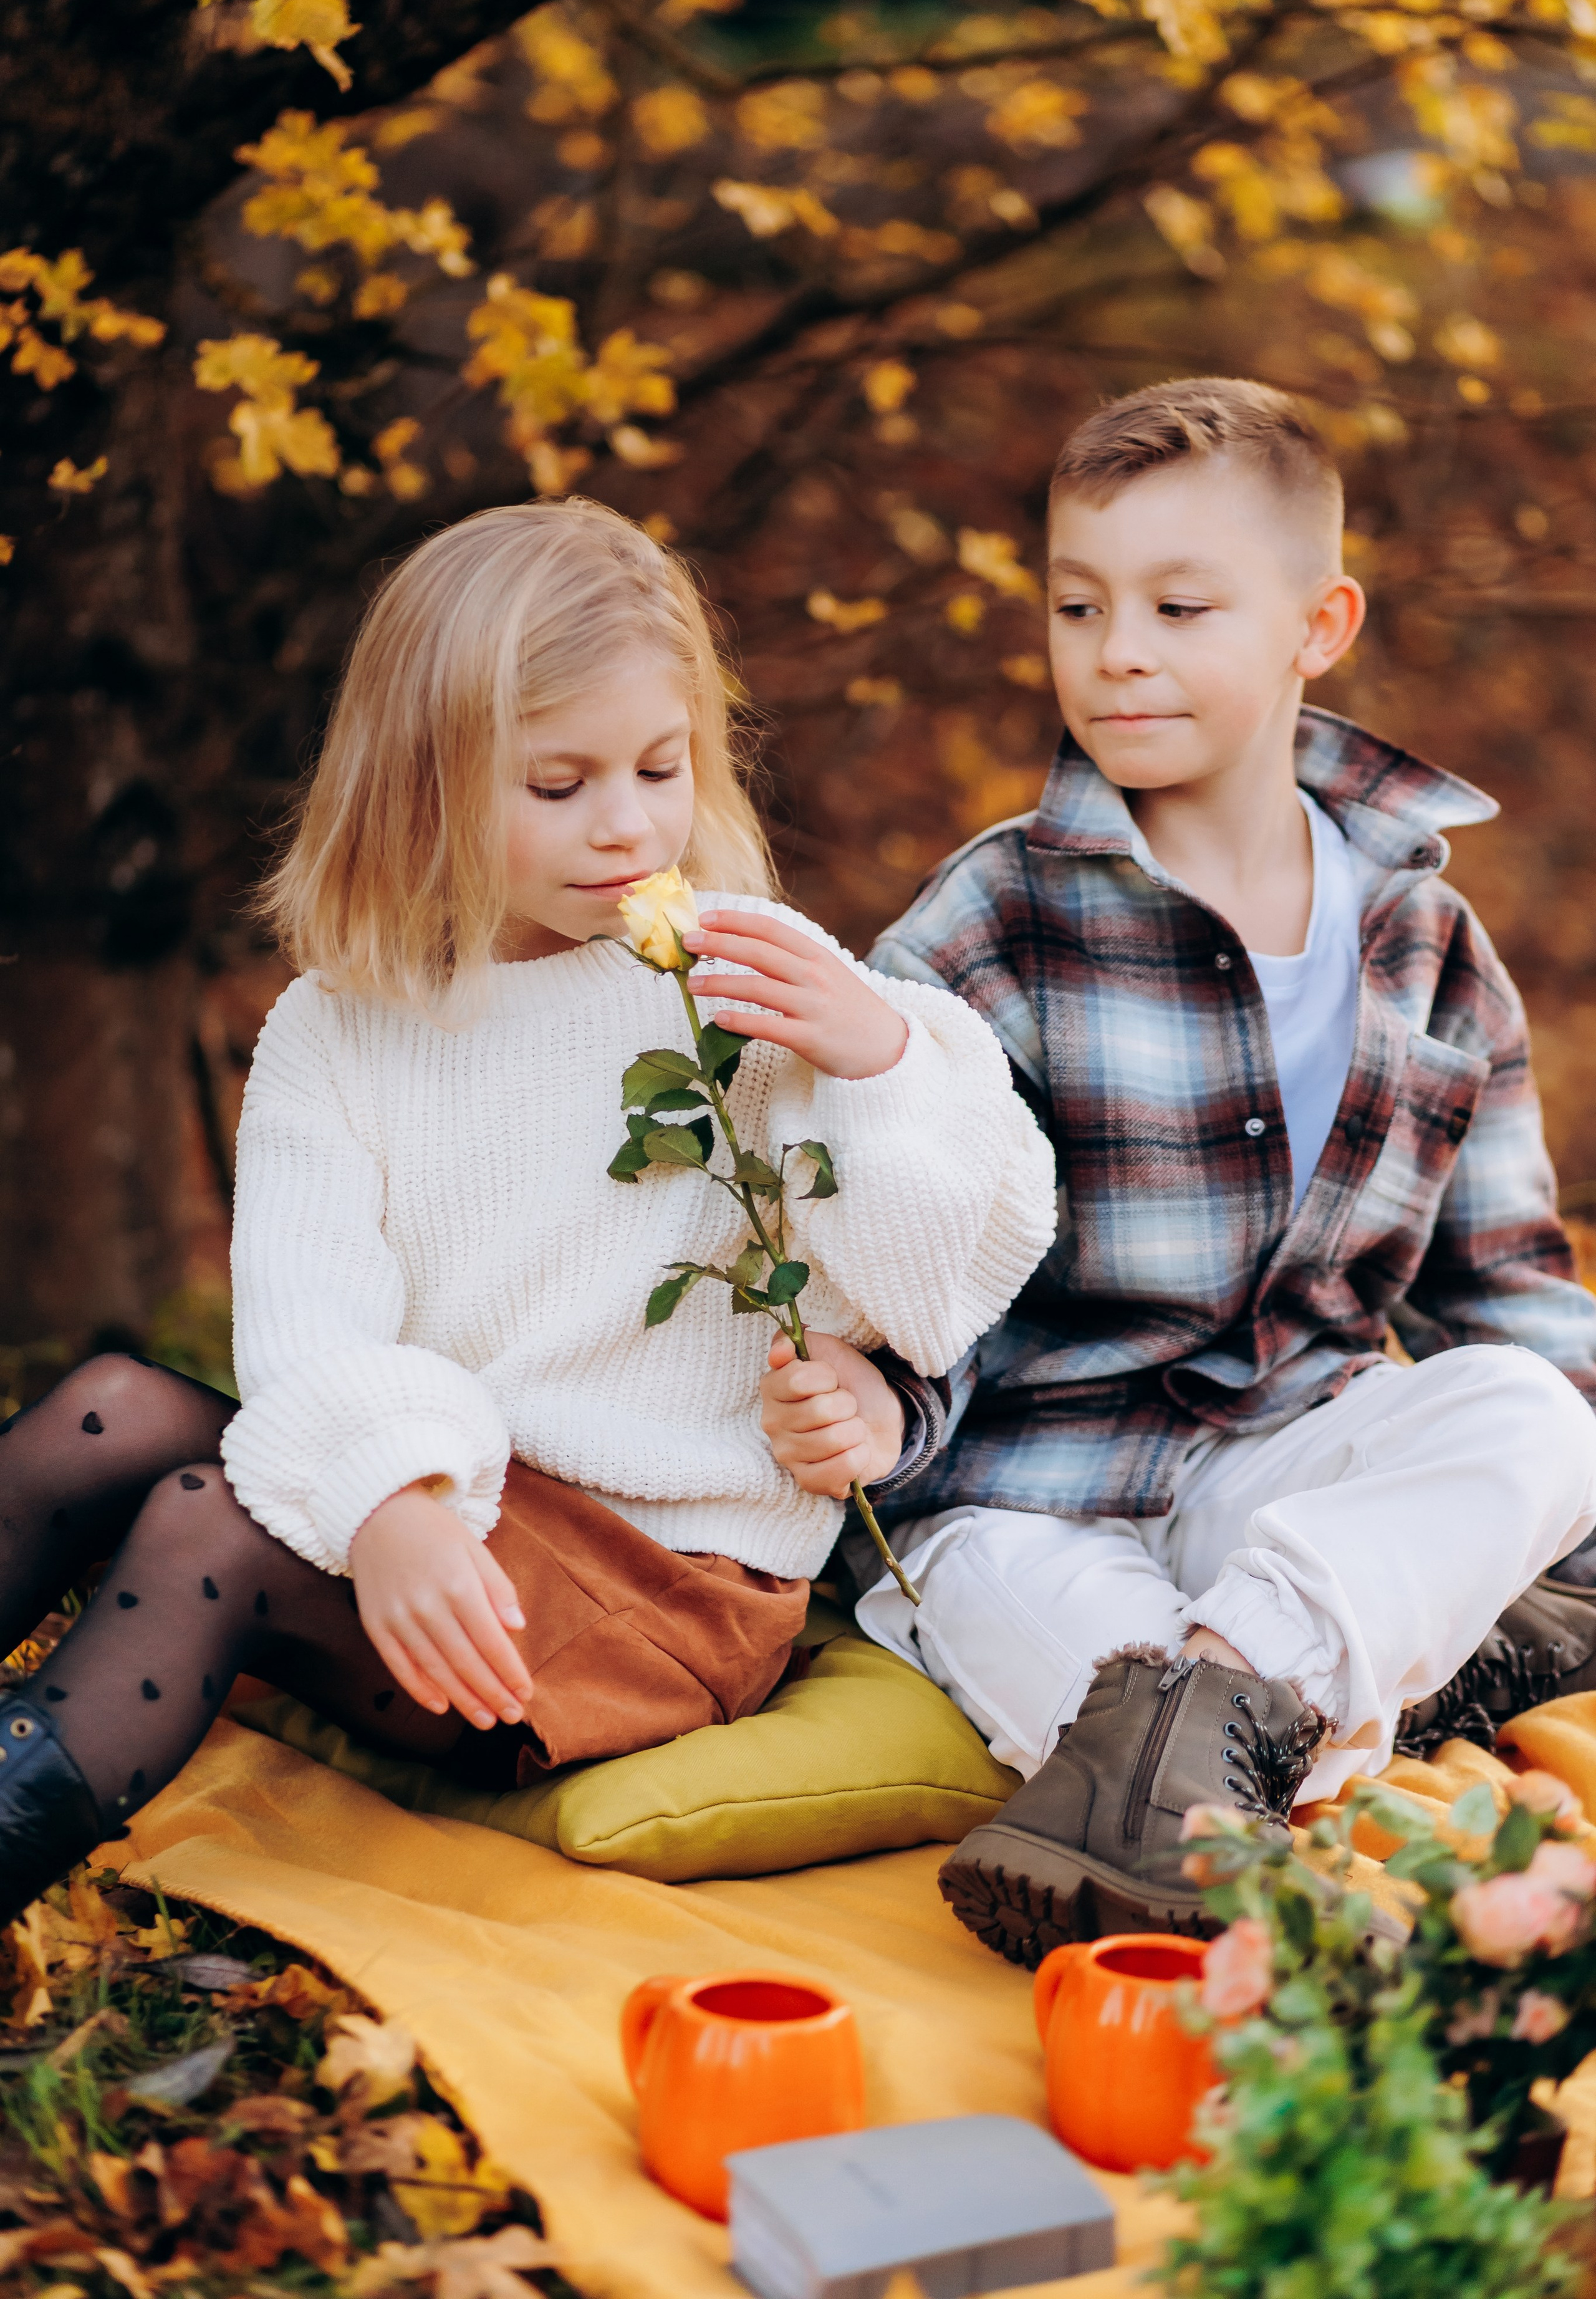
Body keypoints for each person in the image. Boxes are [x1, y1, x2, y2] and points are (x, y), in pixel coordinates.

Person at [0, 499, 1057, 1922]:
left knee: (208, 1527)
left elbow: (938, 1277)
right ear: (424, 786)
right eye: (556, 785)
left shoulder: (738, 977)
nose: (625, 824)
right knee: (113, 1406)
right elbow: (308, 1326)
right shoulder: (340, 1026)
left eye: (660, 767)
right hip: (464, 1501)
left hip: (666, 1588)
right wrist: (393, 1501)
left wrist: (878, 1065)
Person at [763, 378, 1596, 1964]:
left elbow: (1504, 1286)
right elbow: (905, 1240)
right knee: (1116, 1694)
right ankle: (1337, 1715)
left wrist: (1567, 1492)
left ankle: (1222, 1731)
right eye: (1076, 606)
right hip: (1018, 1494)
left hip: (1283, 1476)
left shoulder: (1425, 944)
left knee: (1529, 1417)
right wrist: (882, 1408)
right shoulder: (990, 921)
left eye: (1177, 607)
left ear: (1315, 626)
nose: (1115, 652)